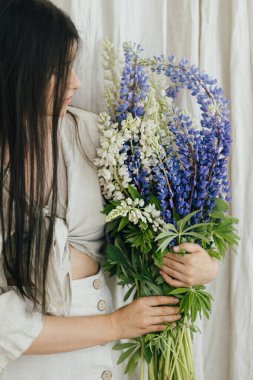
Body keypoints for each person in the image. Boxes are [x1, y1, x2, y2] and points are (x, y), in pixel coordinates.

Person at [0, 1, 219, 379]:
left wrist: (203, 266)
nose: (76, 83)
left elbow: (155, 225)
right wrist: (117, 326)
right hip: (27, 361)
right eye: (57, 70)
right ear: (14, 69)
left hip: (103, 357)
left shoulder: (93, 136)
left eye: (72, 66)